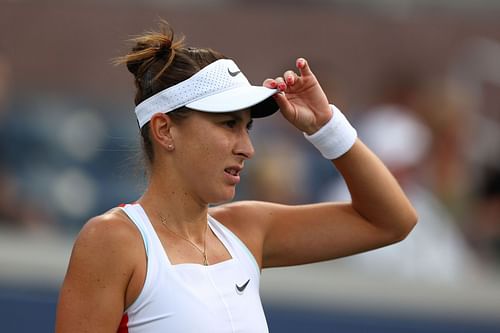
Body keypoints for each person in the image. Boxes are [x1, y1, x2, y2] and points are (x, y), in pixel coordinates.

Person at [55, 21, 417, 333]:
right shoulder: (113, 240)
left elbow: (393, 221)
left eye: (248, 128)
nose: (247, 148)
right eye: (229, 124)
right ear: (165, 131)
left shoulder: (246, 229)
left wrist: (327, 127)